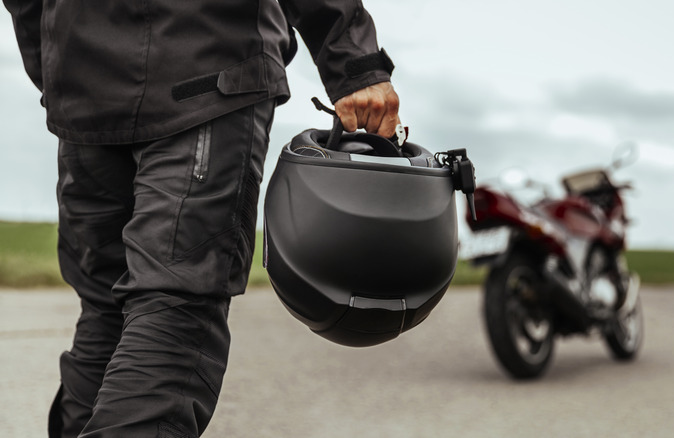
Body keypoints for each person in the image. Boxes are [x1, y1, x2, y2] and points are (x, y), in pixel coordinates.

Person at [3, 1, 400, 436]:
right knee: (175, 308)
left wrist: (61, 70)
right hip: (208, 69)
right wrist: (356, 65)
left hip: (86, 84)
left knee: (106, 313)